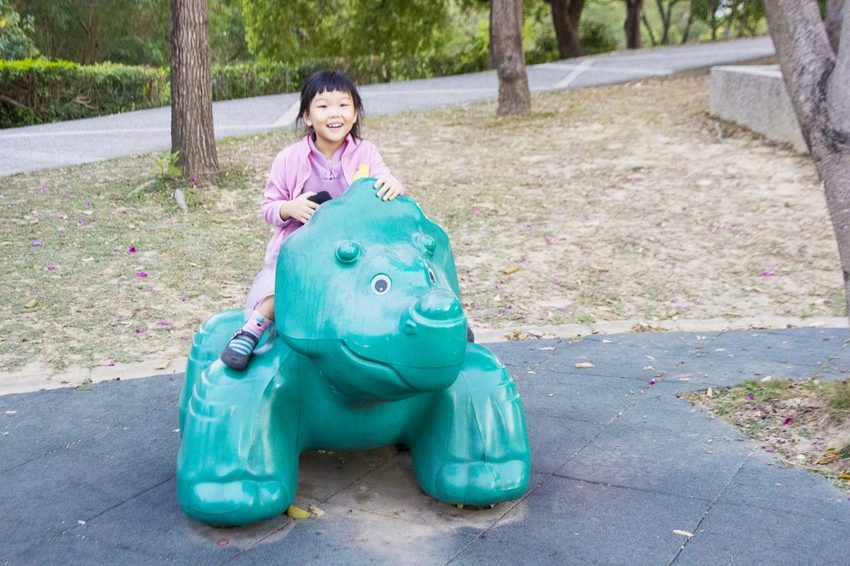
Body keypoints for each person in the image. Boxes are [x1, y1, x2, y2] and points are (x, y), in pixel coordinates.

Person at [220, 70, 404, 370]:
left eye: (344, 105)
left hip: (356, 247)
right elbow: (269, 207)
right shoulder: (289, 158)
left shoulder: (365, 153)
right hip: (303, 248)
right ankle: (252, 329)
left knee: (389, 279)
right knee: (285, 289)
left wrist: (393, 183)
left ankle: (426, 324)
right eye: (323, 106)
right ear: (307, 115)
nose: (335, 114)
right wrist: (289, 208)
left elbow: (384, 179)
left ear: (355, 113)